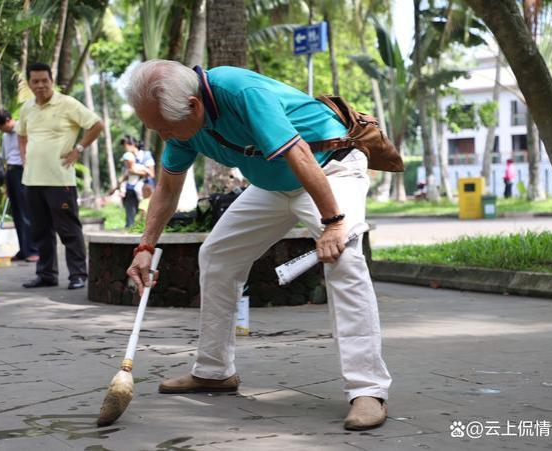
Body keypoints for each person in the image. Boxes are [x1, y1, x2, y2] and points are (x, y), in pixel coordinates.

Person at [125, 60, 392, 430]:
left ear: (193, 105)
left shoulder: (240, 92)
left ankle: (368, 389)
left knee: (343, 259)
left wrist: (333, 223)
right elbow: (168, 188)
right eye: (156, 129)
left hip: (330, 167)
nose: (164, 137)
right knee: (217, 254)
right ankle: (214, 370)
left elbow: (297, 153)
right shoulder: (181, 126)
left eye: (165, 128)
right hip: (275, 183)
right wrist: (144, 248)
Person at [17, 62, 104, 290]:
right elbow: (21, 135)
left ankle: (78, 275)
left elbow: (96, 124)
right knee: (40, 231)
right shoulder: (26, 108)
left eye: (45, 80)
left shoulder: (67, 104)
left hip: (60, 180)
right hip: (32, 181)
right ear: (30, 84)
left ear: (51, 81)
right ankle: (46, 274)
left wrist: (79, 149)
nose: (40, 85)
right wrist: (25, 158)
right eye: (35, 81)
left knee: (69, 230)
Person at [0, 109, 39, 262]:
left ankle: (34, 250)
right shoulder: (5, 136)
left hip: (23, 172)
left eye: (0, 126)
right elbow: (6, 157)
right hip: (11, 172)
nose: (0, 130)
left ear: (8, 120)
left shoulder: (23, 130)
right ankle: (24, 250)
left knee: (27, 213)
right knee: (17, 214)